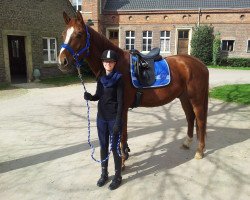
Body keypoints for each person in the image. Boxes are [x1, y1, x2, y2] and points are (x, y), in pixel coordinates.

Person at [84, 49, 124, 190]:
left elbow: (121, 103)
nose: (108, 64)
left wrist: (118, 122)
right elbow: (98, 95)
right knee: (103, 146)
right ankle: (104, 174)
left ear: (114, 63)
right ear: (103, 63)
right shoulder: (101, 78)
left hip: (113, 119)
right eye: (106, 61)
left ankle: (118, 176)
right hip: (101, 118)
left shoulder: (119, 78)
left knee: (114, 148)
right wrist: (90, 97)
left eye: (111, 61)